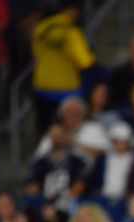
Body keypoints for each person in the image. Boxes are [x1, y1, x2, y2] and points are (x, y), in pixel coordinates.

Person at [31, 1, 95, 135]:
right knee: (69, 132)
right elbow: (84, 62)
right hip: (66, 89)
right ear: (73, 11)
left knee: (45, 132)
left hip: (42, 86)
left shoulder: (40, 28)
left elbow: (35, 53)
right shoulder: (71, 32)